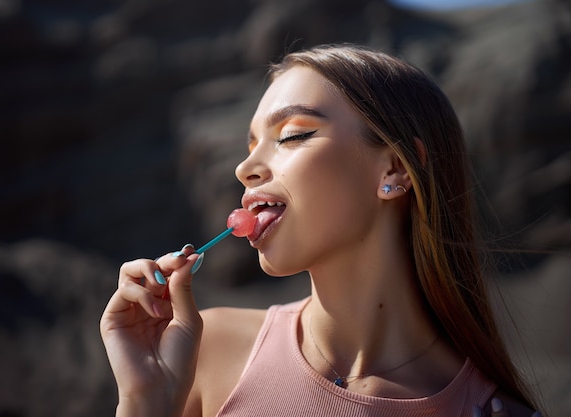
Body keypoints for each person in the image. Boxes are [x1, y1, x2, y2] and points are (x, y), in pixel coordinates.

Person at [100, 44, 542, 417]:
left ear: (394, 169)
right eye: (250, 146)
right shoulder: (203, 351)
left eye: (292, 135)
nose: (244, 169)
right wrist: (144, 403)